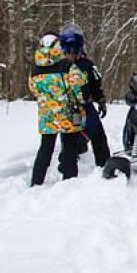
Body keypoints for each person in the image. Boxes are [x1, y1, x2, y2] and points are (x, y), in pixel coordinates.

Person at [29, 34, 88, 185]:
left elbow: (34, 90)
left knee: (45, 148)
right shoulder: (67, 65)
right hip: (68, 114)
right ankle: (69, 181)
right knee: (69, 147)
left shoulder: (35, 70)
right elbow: (79, 89)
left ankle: (36, 181)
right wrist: (83, 101)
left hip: (47, 116)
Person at [60, 28, 110, 167]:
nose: (71, 54)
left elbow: (95, 83)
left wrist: (100, 100)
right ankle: (67, 162)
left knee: (96, 134)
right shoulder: (61, 65)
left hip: (83, 106)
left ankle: (103, 163)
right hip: (70, 107)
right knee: (74, 137)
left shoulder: (86, 64)